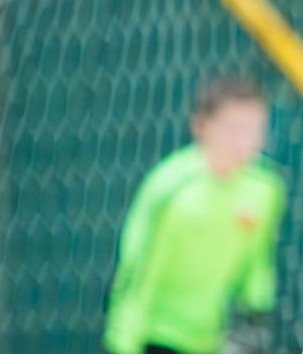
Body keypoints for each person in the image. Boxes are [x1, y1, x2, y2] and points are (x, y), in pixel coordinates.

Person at [104, 78, 286, 354]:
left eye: (254, 129)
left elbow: (258, 267)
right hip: (155, 337)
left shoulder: (265, 190)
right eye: (233, 129)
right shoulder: (171, 187)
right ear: (200, 125)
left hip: (212, 341)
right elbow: (136, 273)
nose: (244, 141)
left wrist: (254, 319)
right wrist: (123, 343)